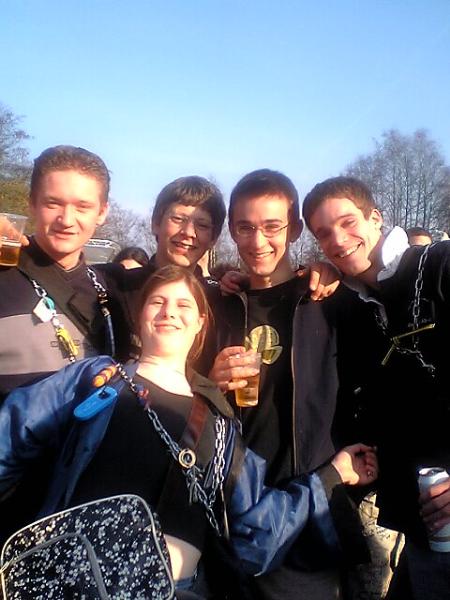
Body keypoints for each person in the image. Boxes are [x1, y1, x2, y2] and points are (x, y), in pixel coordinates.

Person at [0, 265, 377, 597]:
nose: (169, 312)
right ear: (139, 316)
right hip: (70, 582)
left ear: (200, 324)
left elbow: (258, 528)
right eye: (157, 302)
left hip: (178, 590)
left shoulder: (221, 425)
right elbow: (9, 433)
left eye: (183, 305)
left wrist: (332, 475)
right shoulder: (97, 378)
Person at [209, 169, 371, 600]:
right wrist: (208, 383)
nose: (258, 241)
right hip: (232, 513)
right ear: (231, 230)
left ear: (295, 229)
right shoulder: (217, 305)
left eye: (272, 226)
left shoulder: (331, 301)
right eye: (245, 227)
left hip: (310, 516)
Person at [303, 176, 450, 600]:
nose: (337, 240)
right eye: (323, 233)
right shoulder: (353, 302)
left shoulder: (439, 265)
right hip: (423, 524)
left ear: (376, 218)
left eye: (348, 222)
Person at [0, 145, 134, 404]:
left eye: (83, 207)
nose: (67, 219)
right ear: (32, 204)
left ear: (102, 213)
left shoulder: (113, 292)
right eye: (53, 203)